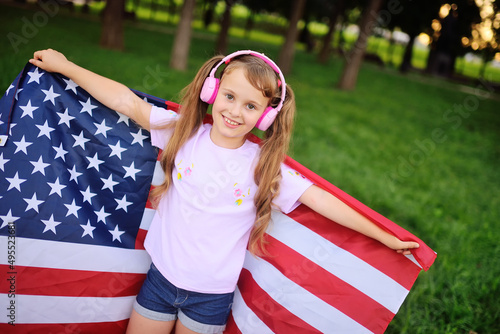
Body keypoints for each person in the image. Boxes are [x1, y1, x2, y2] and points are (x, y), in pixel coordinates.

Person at [29, 48, 419, 334]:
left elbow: (318, 199)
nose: (235, 112)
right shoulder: (182, 131)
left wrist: (384, 236)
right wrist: (66, 66)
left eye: (251, 106)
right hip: (160, 280)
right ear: (213, 91)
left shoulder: (263, 166)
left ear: (266, 116)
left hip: (210, 298)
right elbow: (127, 102)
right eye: (230, 97)